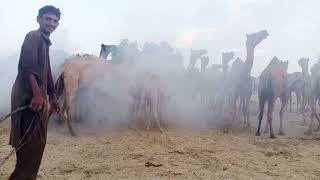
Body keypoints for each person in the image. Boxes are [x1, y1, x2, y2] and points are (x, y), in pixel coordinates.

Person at [9, 5, 61, 179]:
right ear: (38, 19)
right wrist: (38, 94)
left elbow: (46, 72)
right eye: (48, 19)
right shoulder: (33, 37)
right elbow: (28, 67)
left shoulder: (44, 41)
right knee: (29, 150)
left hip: (37, 101)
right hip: (28, 100)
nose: (51, 23)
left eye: (55, 21)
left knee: (36, 147)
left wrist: (53, 96)